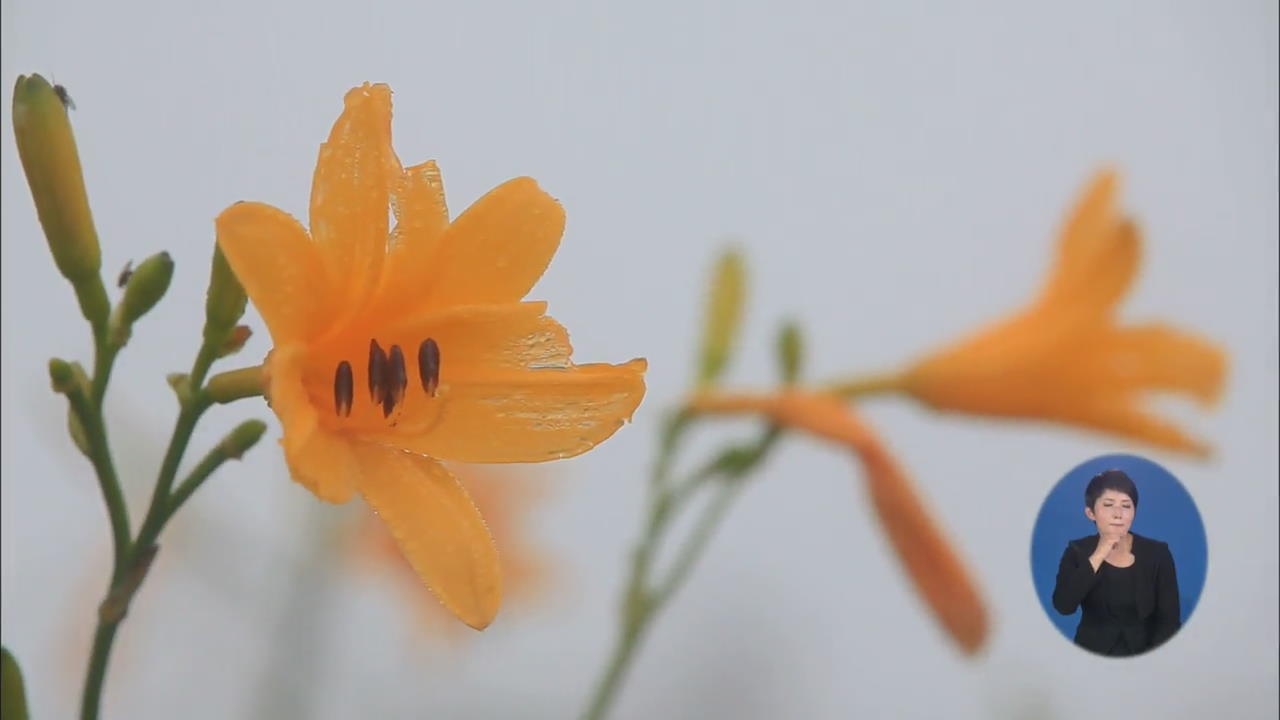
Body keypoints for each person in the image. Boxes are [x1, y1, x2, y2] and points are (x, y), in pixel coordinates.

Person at [1051, 469, 1181, 656]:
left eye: (1126, 506)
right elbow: (1064, 605)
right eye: (1109, 505)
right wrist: (1099, 553)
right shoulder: (1076, 551)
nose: (1118, 514)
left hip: (1144, 654)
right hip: (1090, 654)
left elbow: (1169, 621)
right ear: (1091, 513)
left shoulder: (1157, 553)